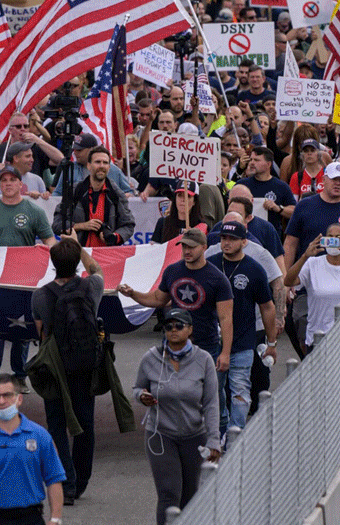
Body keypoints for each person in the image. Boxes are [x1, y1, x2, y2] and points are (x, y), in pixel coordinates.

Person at [29, 237, 105, 503]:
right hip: (85, 362)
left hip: (54, 366)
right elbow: (97, 269)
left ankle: (66, 481)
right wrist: (78, 246)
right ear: (76, 263)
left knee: (57, 425)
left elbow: (42, 332)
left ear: (52, 264)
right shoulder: (92, 286)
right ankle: (81, 480)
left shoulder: (40, 295)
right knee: (85, 422)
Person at [0, 168, 55, 393]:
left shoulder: (33, 211)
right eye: (3, 180)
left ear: (20, 185)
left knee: (21, 328)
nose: (7, 184)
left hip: (24, 278)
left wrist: (48, 253)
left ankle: (20, 376)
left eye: (12, 180)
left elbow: (50, 240)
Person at [133, 308, 220, 525]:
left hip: (194, 436)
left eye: (179, 326)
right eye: (168, 326)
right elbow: (137, 388)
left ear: (190, 330)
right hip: (160, 435)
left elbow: (211, 403)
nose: (173, 330)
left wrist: (214, 439)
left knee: (190, 496)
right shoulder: (151, 358)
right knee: (169, 494)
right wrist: (142, 396)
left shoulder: (204, 360)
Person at [119, 228, 234, 375]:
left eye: (192, 247)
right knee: (172, 390)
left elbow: (226, 319)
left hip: (206, 345)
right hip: (174, 344)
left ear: (204, 247)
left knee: (211, 393)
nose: (187, 251)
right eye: (184, 246)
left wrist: (225, 353)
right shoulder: (172, 271)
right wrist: (133, 294)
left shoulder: (217, 279)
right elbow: (158, 299)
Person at [0, 374, 67, 525]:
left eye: (7, 395)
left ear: (19, 399)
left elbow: (54, 477)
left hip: (31, 517)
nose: (1, 401)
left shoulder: (40, 436)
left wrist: (55, 518)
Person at [207, 220, 277, 433]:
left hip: (244, 341)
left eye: (232, 239)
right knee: (214, 392)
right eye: (223, 238)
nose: (226, 243)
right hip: (212, 342)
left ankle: (236, 435)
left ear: (244, 241)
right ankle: (220, 431)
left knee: (240, 392)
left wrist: (271, 342)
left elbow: (267, 307)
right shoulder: (209, 264)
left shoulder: (254, 269)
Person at [284, 223, 340, 351]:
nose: (333, 241)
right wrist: (305, 256)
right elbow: (289, 281)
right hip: (317, 338)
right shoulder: (313, 263)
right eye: (330, 237)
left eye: (338, 237)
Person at [52, 145, 135, 247]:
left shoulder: (117, 194)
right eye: (97, 162)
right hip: (77, 253)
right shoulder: (74, 191)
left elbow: (128, 225)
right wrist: (81, 226)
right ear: (89, 166)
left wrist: (114, 237)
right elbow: (57, 224)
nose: (101, 166)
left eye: (105, 163)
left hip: (106, 256)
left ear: (109, 167)